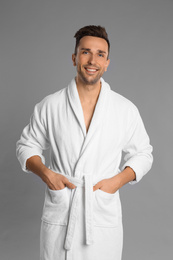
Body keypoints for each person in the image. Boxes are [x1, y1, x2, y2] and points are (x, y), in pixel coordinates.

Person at [16, 25, 153, 260]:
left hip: (100, 211)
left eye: (100, 54)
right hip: (63, 210)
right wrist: (47, 174)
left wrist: (117, 182)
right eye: (85, 52)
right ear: (74, 57)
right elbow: (26, 146)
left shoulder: (124, 109)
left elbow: (143, 154)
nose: (92, 60)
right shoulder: (51, 105)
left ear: (108, 62)